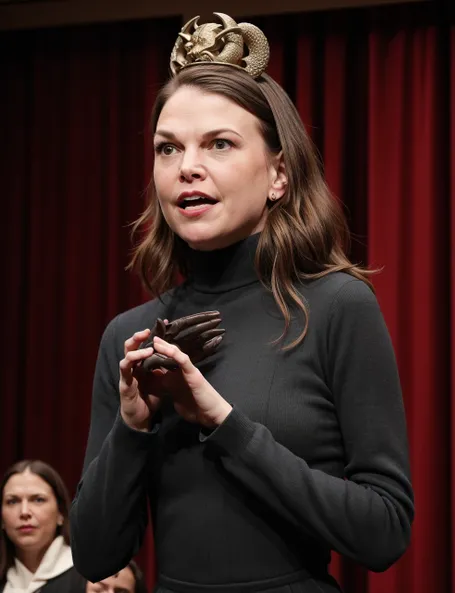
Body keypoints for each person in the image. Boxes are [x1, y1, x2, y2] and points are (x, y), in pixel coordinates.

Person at [70, 12, 415, 593]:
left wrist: (223, 423)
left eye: (220, 144)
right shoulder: (130, 337)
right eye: (167, 148)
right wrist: (132, 429)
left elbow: (384, 532)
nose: (188, 168)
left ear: (278, 174)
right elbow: (97, 555)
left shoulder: (336, 307)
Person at [0, 459, 86, 593]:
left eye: (38, 500)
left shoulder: (90, 577)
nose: (24, 512)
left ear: (60, 513)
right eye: (12, 501)